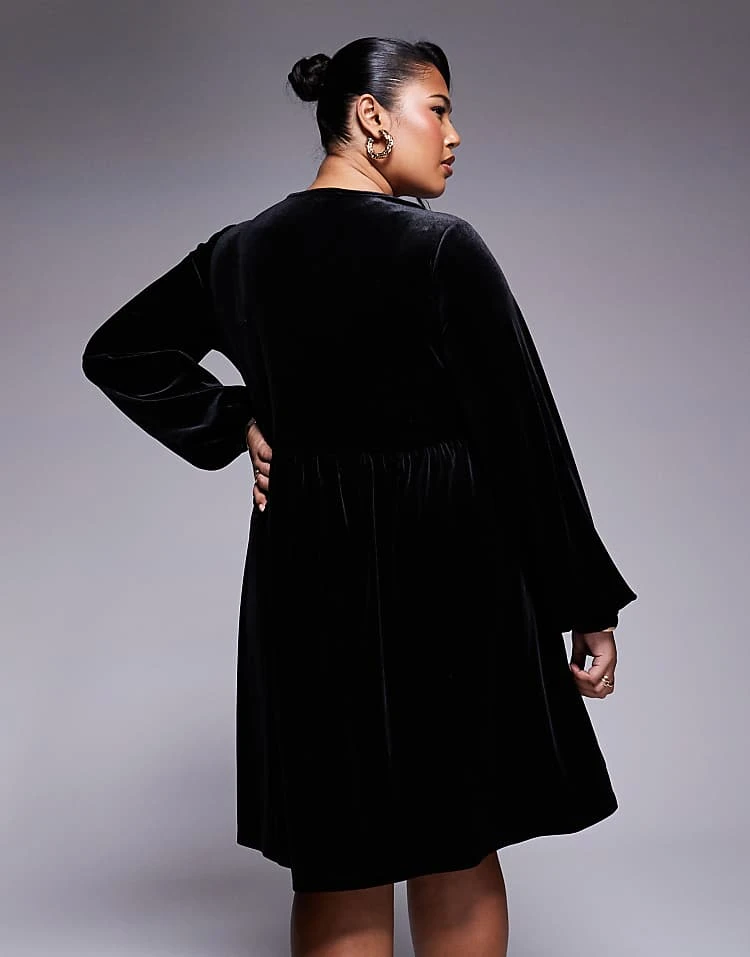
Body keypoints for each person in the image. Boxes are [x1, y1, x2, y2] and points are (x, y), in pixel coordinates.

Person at [81, 35, 637, 957]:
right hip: (451, 571)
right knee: (456, 843)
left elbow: (120, 350)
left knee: (338, 854)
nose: (455, 135)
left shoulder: (240, 252)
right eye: (438, 109)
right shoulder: (441, 248)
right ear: (372, 116)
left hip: (308, 574)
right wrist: (585, 600)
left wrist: (236, 418)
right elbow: (526, 439)